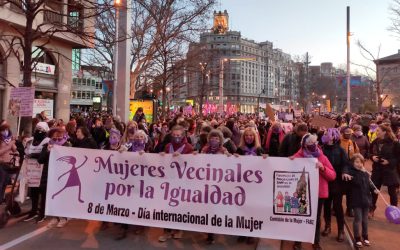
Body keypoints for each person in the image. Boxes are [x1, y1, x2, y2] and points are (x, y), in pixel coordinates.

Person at [291, 133, 336, 250]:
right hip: (303, 194)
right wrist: (288, 162)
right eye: (310, 143)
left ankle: (315, 242)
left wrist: (322, 168)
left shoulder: (322, 157)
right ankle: (298, 241)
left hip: (318, 194)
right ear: (304, 145)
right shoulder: (298, 157)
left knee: (315, 219)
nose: (313, 145)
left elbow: (332, 176)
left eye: (315, 143)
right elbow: (288, 169)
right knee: (300, 217)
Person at [158, 125, 193, 242]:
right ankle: (167, 231)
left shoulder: (188, 147)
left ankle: (178, 229)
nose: (176, 137)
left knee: (179, 207)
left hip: (182, 181)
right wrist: (162, 156)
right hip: (169, 180)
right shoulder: (168, 146)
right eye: (174, 135)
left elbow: (192, 165)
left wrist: (182, 158)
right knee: (167, 206)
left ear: (183, 136)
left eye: (178, 135)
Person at [320, 128, 350, 242]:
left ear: (334, 137)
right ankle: (328, 226)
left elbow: (346, 163)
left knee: (337, 206)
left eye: (327, 134)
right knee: (326, 205)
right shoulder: (321, 149)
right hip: (325, 181)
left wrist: (345, 172)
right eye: (325, 133)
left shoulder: (341, 150)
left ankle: (341, 230)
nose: (325, 135)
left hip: (337, 182)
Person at [38, 127, 72, 228]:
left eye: (59, 135)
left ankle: (63, 217)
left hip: (62, 175)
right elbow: (40, 160)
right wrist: (47, 151)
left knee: (61, 195)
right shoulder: (47, 145)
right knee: (51, 196)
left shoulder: (67, 145)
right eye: (55, 135)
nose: (57, 137)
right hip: (49, 175)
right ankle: (54, 217)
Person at [200, 129, 229, 244]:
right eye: (212, 138)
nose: (214, 140)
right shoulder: (204, 150)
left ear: (220, 140)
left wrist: (229, 157)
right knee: (208, 208)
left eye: (216, 138)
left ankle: (214, 228)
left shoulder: (223, 150)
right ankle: (210, 234)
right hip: (207, 183)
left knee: (216, 208)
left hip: (219, 184)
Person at [369, 124, 400, 217]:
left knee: (392, 192)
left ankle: (394, 212)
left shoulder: (394, 143)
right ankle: (371, 209)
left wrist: (389, 162)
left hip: (389, 170)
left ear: (384, 132)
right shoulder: (375, 142)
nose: (376, 132)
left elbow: (398, 157)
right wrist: (372, 157)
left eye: (378, 130)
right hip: (377, 169)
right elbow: (369, 153)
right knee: (374, 190)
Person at [23, 122, 51, 222]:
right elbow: (26, 152)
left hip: (42, 171)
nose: (38, 131)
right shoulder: (30, 140)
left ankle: (42, 213)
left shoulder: (48, 141)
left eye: (41, 129)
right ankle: (33, 211)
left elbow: (44, 155)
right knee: (33, 192)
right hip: (31, 171)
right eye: (37, 128)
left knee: (43, 192)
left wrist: (33, 156)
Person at [347, 154, 373, 249]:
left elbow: (368, 185)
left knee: (365, 220)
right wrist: (363, 173)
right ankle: (357, 237)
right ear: (352, 163)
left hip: (366, 200)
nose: (359, 164)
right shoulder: (351, 173)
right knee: (358, 219)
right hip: (356, 200)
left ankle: (365, 236)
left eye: (361, 162)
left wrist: (374, 190)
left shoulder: (365, 174)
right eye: (357, 162)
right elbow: (356, 182)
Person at [0, 123, 17, 204]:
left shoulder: (9, 140)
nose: (5, 131)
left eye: (6, 130)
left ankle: (2, 198)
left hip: (9, 164)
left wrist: (14, 142)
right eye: (3, 130)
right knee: (1, 182)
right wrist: (9, 145)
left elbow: (14, 149)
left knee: (5, 182)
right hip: (1, 163)